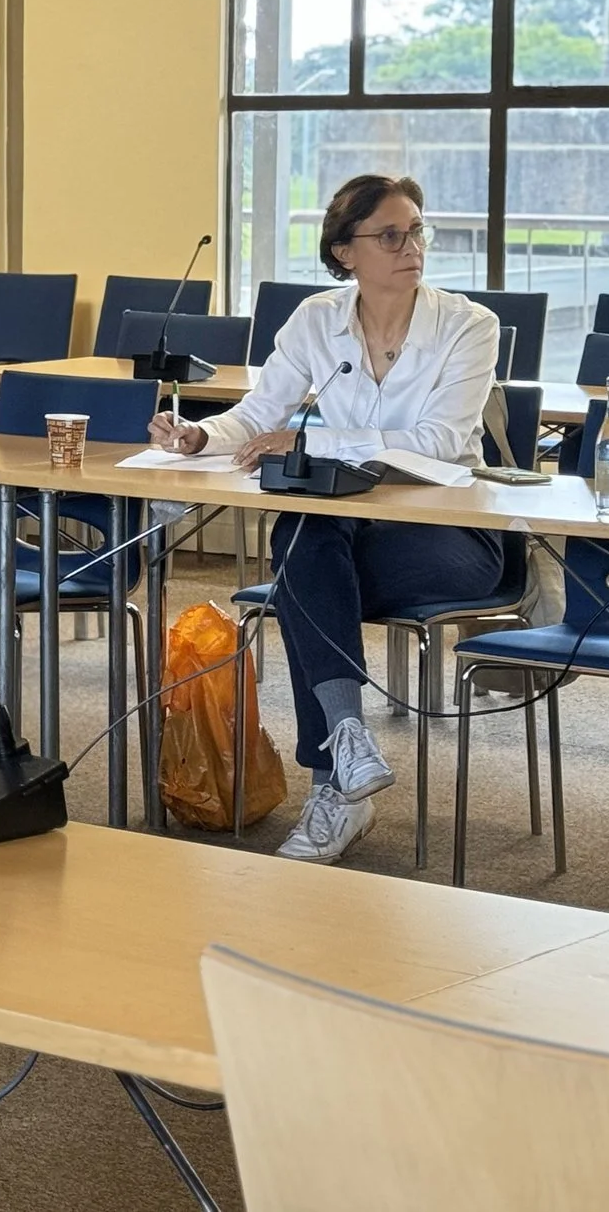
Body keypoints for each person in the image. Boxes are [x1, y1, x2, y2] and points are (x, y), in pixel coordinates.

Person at [151, 173, 503, 866]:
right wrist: (199, 435)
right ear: (345, 252)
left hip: (451, 535)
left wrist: (315, 441)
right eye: (390, 235)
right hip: (345, 531)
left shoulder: (468, 325)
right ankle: (348, 745)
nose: (411, 247)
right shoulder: (316, 319)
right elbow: (259, 416)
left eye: (416, 231)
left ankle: (334, 783)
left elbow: (437, 443)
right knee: (306, 538)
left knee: (303, 575)